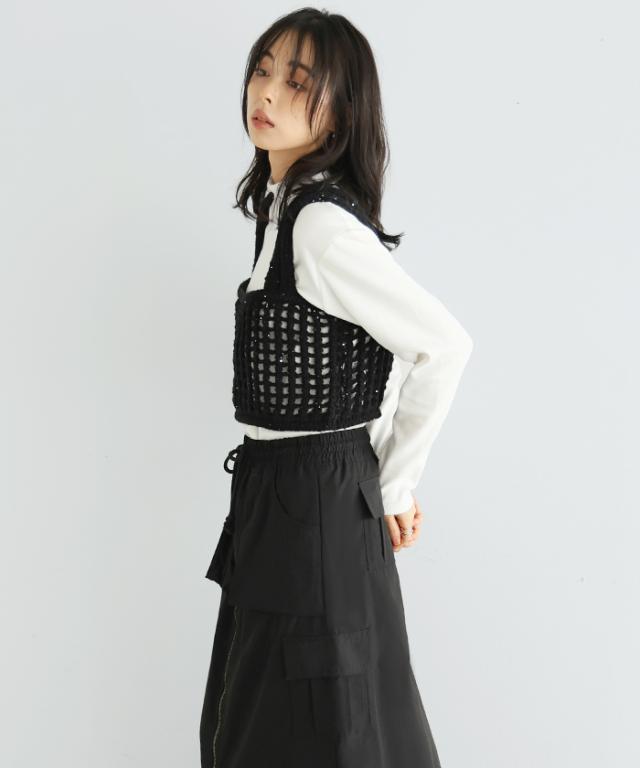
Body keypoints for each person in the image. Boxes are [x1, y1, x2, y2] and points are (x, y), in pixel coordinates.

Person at [200, 9, 473, 767]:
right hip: (285, 496)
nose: (267, 93)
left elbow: (441, 345)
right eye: (263, 70)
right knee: (273, 715)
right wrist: (372, 469)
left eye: (298, 82)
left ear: (341, 111)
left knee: (325, 723)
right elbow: (367, 364)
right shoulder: (282, 213)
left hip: (314, 503)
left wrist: (392, 483)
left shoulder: (319, 229)